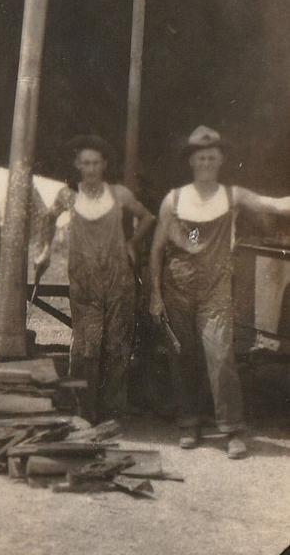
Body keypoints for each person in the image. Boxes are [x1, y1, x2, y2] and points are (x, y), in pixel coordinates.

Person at [150, 126, 290, 459]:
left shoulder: (232, 196)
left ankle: (231, 429)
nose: (207, 163)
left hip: (216, 291)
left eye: (212, 157)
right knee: (184, 356)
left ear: (220, 160)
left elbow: (275, 206)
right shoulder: (175, 199)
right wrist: (155, 295)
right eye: (201, 157)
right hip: (177, 289)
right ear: (191, 161)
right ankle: (189, 423)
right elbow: (157, 250)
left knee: (220, 356)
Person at [35, 135, 154, 424]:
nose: (90, 168)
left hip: (119, 281)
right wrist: (46, 250)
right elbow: (48, 219)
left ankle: (112, 412)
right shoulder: (68, 196)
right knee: (87, 347)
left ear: (104, 165)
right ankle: (84, 413)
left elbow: (148, 217)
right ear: (77, 165)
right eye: (85, 163)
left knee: (116, 346)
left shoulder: (119, 194)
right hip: (84, 283)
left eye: (96, 163)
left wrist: (131, 243)